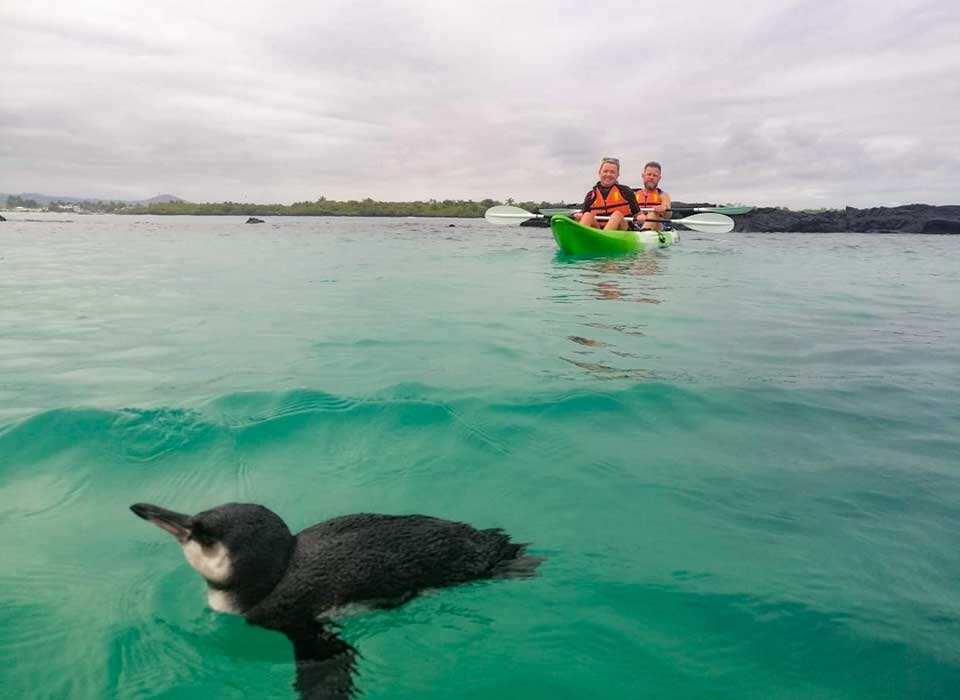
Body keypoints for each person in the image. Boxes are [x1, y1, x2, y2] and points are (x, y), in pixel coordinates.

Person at [573, 157, 645, 231]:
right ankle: (578, 237)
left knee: (617, 215)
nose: (608, 174)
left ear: (617, 175)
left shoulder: (626, 191)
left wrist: (641, 217)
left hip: (623, 231)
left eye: (612, 172)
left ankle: (603, 236)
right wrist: (578, 216)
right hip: (599, 231)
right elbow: (583, 214)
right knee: (587, 215)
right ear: (599, 173)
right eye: (605, 171)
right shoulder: (591, 195)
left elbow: (638, 214)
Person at [634, 161, 671, 230]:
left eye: (655, 175)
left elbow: (668, 214)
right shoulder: (634, 195)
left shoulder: (663, 195)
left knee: (653, 214)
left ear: (659, 178)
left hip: (657, 226)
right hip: (637, 224)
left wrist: (664, 208)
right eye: (649, 174)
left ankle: (644, 232)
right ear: (643, 176)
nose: (651, 177)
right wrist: (638, 215)